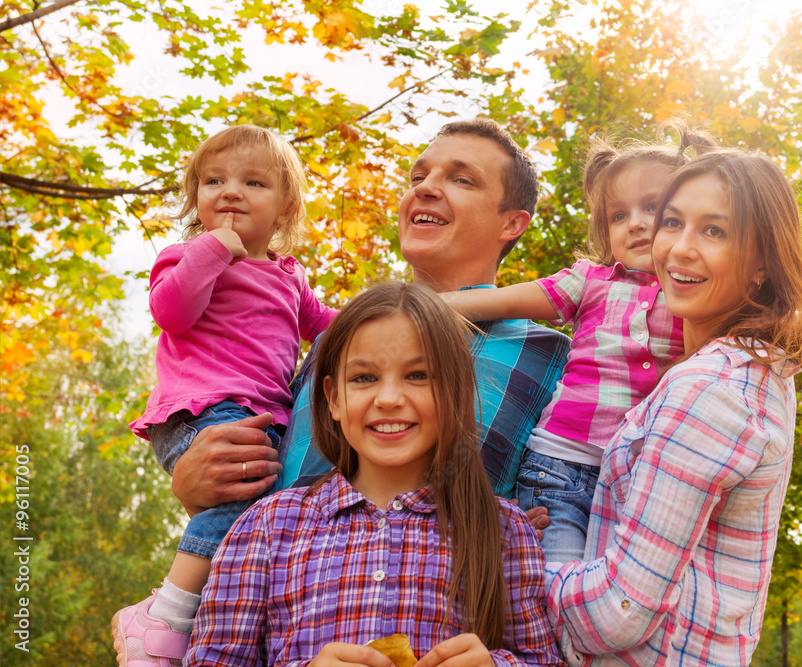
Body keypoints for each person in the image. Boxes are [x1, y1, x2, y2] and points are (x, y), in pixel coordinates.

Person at [442, 126, 802, 562]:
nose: (634, 224)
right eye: (618, 215)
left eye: (654, 211)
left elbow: (773, 331)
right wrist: (421, 304)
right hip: (559, 466)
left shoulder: (694, 296)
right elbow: (498, 301)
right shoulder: (588, 280)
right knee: (554, 588)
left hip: (634, 476)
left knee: (616, 585)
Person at [545, 148, 802, 666]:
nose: (680, 249)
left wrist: (524, 564)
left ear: (760, 266)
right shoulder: (751, 365)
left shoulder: (707, 389)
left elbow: (617, 613)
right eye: (673, 222)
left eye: (714, 231)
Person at [167, 119, 571, 520]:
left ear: (512, 223)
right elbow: (256, 510)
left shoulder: (551, 360)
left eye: (462, 180)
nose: (424, 188)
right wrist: (192, 488)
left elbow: (565, 506)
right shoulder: (337, 340)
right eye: (418, 176)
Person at [184, 281, 564, 667]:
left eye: (418, 375)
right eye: (364, 378)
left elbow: (542, 658)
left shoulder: (505, 530)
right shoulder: (265, 527)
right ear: (333, 398)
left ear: (455, 392)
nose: (388, 398)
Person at [113, 125, 338, 665]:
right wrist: (213, 250)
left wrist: (384, 319)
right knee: (244, 491)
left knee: (262, 512)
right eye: (214, 181)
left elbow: (328, 328)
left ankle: (211, 618)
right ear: (197, 200)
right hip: (201, 409)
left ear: (284, 210)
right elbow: (172, 312)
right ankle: (163, 614)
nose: (231, 192)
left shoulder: (289, 276)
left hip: (258, 414)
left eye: (253, 182)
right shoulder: (187, 256)